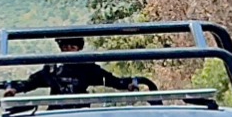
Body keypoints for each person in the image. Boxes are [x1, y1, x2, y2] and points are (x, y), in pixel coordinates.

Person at [10, 36, 143, 98]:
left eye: (72, 47)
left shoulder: (87, 68)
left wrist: (127, 85)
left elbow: (110, 80)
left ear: (78, 49)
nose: (69, 51)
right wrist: (15, 89)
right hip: (56, 110)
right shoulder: (52, 68)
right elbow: (33, 81)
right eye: (65, 48)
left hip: (81, 109)